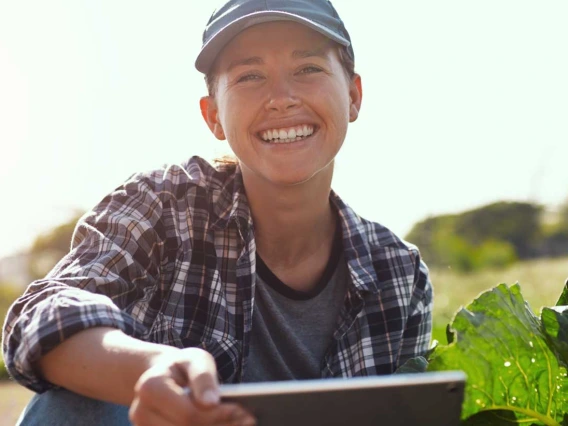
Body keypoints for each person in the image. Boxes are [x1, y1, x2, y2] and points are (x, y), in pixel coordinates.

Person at [2, 0, 433, 425]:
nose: (281, 99)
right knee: (70, 408)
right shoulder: (164, 203)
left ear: (354, 96)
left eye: (308, 69)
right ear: (214, 117)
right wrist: (149, 367)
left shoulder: (399, 274)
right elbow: (41, 308)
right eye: (250, 75)